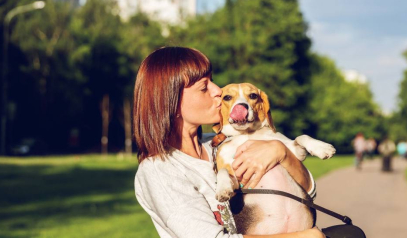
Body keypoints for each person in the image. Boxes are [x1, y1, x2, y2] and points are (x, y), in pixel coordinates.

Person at [133, 47, 324, 238]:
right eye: (204, 87)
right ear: (171, 102)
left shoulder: (224, 143)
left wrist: (281, 152)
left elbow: (308, 193)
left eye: (213, 81)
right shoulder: (159, 170)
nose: (217, 90)